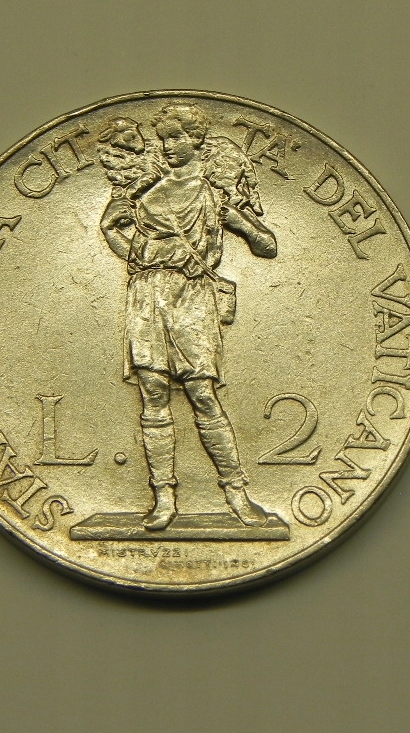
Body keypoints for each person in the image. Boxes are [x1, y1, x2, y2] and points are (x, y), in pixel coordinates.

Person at [97, 103, 277, 530]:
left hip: (191, 295)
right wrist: (120, 240)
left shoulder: (214, 193)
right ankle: (163, 500)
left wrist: (242, 224)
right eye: (164, 139)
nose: (168, 146)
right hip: (146, 293)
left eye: (176, 137)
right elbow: (119, 239)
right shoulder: (143, 192)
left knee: (202, 393)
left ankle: (237, 494)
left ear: (196, 139)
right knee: (153, 393)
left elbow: (268, 246)